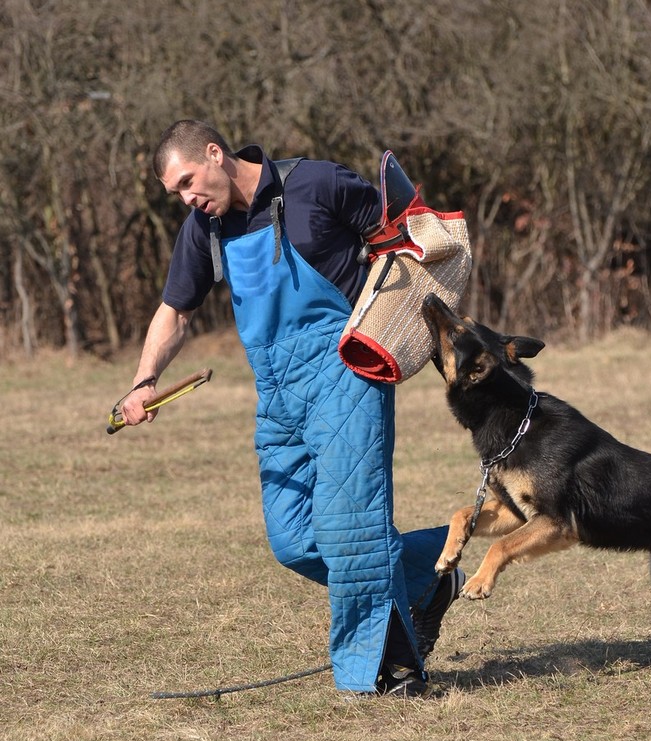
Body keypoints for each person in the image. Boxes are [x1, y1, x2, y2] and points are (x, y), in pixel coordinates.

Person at [120, 119, 464, 697]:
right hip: (277, 396)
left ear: (214, 154)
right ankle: (430, 573)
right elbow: (175, 311)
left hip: (344, 376)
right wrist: (143, 379)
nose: (188, 198)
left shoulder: (317, 184)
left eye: (187, 182)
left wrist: (427, 336)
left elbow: (404, 240)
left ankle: (386, 672)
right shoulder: (204, 230)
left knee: (349, 533)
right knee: (294, 540)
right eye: (175, 192)